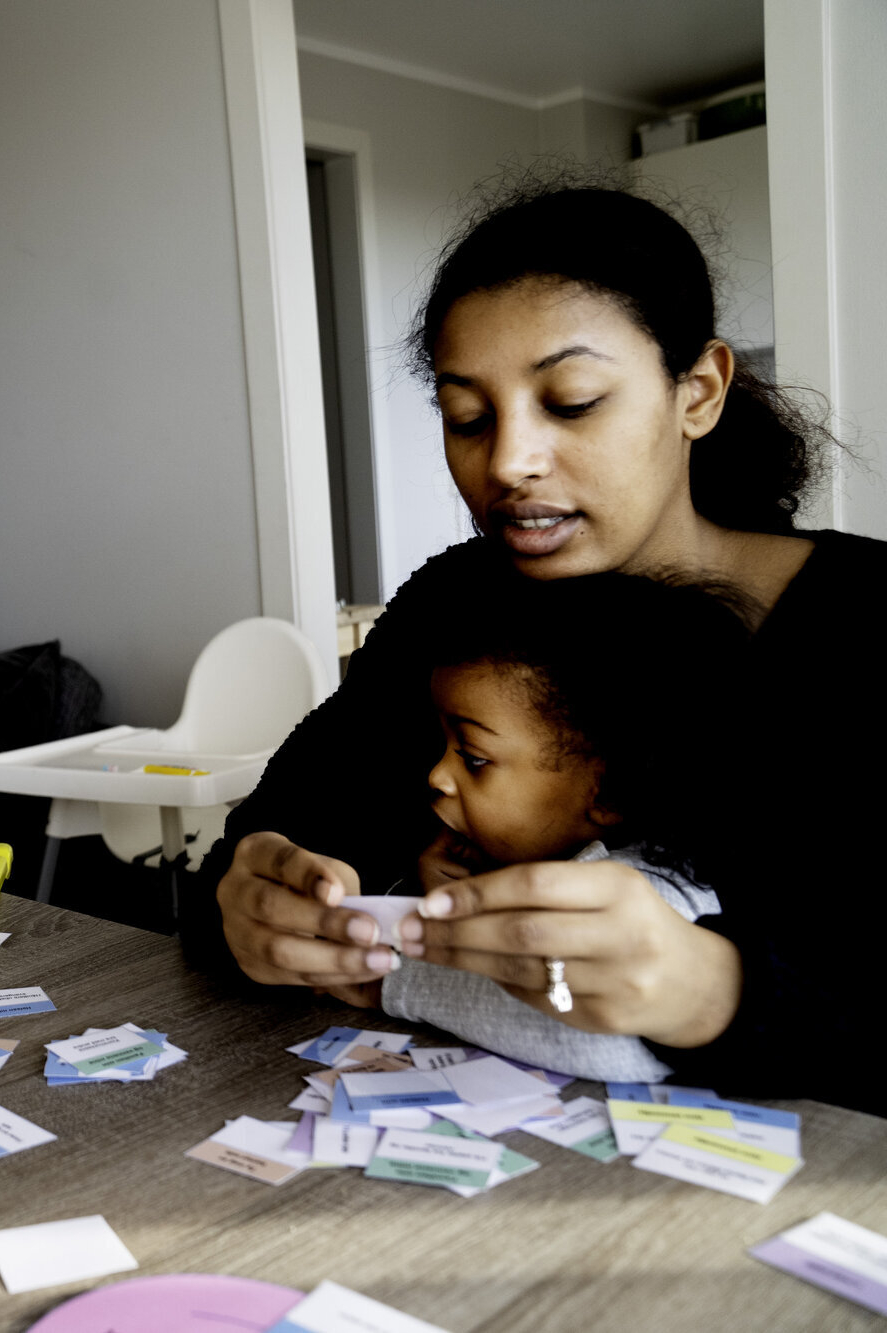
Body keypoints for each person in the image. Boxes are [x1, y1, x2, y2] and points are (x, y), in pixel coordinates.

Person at [185, 179, 887, 1112]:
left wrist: (713, 991)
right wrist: (245, 908)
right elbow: (258, 852)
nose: (507, 462)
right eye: (468, 416)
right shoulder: (455, 600)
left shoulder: (877, 624)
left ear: (700, 391)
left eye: (572, 401)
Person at [373, 572, 750, 1080]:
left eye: (474, 758)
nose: (437, 776)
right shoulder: (527, 854)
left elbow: (603, 1038)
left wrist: (385, 981)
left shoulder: (652, 890)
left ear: (609, 792)